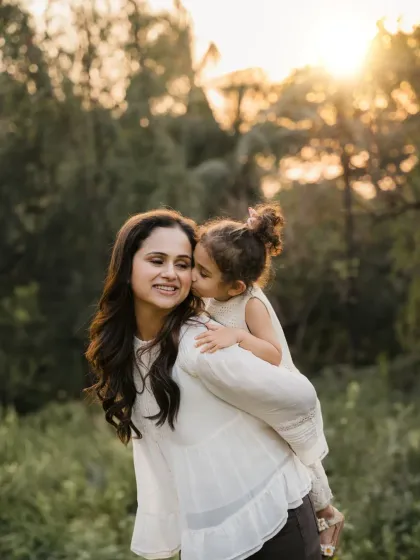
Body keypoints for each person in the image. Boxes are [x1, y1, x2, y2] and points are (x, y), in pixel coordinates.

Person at [86, 209, 335, 560]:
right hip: (212, 537)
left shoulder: (202, 345)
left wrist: (318, 485)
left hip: (273, 526)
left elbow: (299, 397)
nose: (171, 274)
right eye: (157, 260)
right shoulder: (132, 349)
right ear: (127, 267)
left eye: (184, 264)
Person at [192, 203, 344, 557]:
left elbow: (273, 353)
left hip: (277, 388)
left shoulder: (250, 304)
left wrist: (238, 338)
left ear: (236, 286)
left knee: (300, 454)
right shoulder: (215, 294)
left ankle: (327, 512)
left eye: (202, 272)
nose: (193, 278)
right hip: (250, 390)